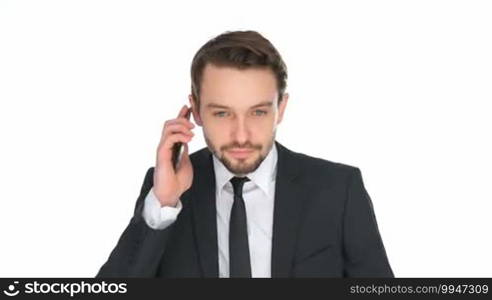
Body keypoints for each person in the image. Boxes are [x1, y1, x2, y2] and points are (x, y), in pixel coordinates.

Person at [96, 30, 393, 278]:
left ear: (281, 109)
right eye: (223, 113)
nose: (241, 136)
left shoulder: (338, 189)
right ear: (196, 111)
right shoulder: (166, 191)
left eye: (258, 112)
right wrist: (162, 204)